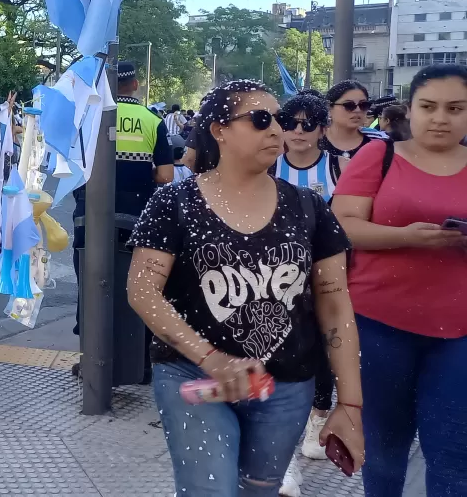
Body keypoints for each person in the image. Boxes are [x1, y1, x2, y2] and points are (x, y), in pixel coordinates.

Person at [126, 80, 365, 496]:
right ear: (219, 130)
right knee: (210, 490)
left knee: (260, 490)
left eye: (282, 119)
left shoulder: (308, 207)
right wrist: (212, 358)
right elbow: (143, 290)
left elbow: (334, 302)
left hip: (287, 382)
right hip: (192, 374)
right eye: (260, 119)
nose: (278, 129)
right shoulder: (174, 203)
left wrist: (350, 403)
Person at [331, 64, 467, 497]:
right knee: (385, 450)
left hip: (459, 332)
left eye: (455, 108)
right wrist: (407, 238)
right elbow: (342, 224)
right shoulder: (380, 155)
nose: (441, 118)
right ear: (411, 110)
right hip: (378, 326)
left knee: (453, 453)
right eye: (429, 107)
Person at [268, 93, 347, 495]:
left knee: (320, 352)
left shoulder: (339, 167)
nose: (298, 131)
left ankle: (318, 414)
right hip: (271, 281)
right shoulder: (267, 162)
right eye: (291, 122)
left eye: (308, 123)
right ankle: (284, 460)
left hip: (325, 277)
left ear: (322, 128)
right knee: (280, 358)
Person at [72, 61, 174, 337]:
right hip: (136, 207)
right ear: (135, 85)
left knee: (87, 268)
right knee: (138, 276)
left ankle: (89, 335)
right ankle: (135, 342)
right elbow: (166, 175)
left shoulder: (90, 116)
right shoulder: (152, 120)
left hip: (90, 205)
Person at [321, 80, 389, 159]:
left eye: (363, 105)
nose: (357, 110)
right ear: (329, 108)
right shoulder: (313, 141)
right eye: (348, 105)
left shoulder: (381, 142)